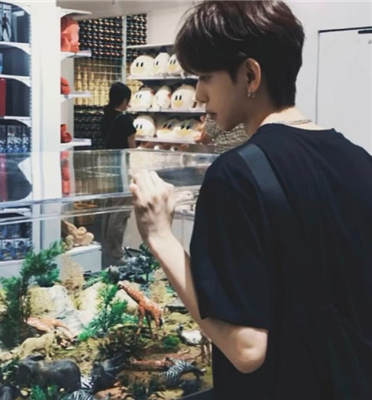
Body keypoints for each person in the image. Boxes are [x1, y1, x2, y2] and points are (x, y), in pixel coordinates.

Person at [129, 2, 372, 399]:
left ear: (250, 75)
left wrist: (159, 236)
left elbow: (246, 349)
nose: (198, 95)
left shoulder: (236, 174)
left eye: (206, 77)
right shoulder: (359, 158)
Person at [100, 82, 136, 268]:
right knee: (120, 213)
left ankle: (106, 250)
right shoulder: (125, 121)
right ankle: (115, 254)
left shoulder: (105, 118)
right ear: (124, 99)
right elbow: (132, 149)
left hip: (106, 167)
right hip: (122, 169)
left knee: (108, 210)